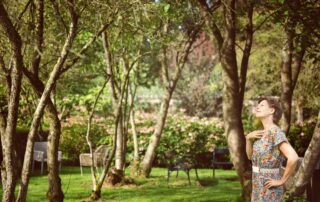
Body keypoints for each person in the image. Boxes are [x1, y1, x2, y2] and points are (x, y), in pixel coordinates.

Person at [245, 97, 299, 202]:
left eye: (262, 105)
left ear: (272, 110)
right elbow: (249, 157)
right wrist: (248, 139)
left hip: (270, 187)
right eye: (257, 105)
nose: (257, 107)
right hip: (257, 184)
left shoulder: (275, 132)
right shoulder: (261, 133)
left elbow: (293, 157)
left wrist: (282, 180)